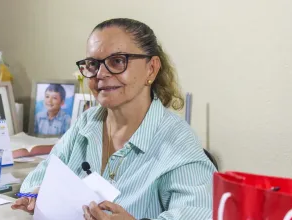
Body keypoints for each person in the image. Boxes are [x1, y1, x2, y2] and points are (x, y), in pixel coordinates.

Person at [12, 18, 215, 219]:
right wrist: (38, 195)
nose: (100, 74)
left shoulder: (177, 140)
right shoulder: (87, 123)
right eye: (93, 64)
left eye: (117, 61)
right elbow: (39, 177)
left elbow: (201, 213)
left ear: (151, 68)